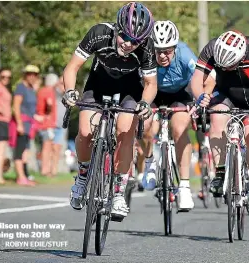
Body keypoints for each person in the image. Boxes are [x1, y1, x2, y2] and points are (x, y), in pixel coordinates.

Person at [62, 2, 157, 220]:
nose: (129, 45)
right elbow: (72, 67)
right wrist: (69, 91)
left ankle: (117, 193)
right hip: (98, 85)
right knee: (85, 132)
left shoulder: (147, 47)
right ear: (117, 29)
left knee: (125, 132)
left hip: (130, 92)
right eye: (125, 37)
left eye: (136, 41)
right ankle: (83, 176)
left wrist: (144, 104)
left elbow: (151, 84)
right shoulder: (99, 33)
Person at [192, 30, 249, 215]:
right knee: (216, 119)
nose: (225, 70)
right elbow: (197, 78)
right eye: (222, 67)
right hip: (226, 95)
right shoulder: (211, 48)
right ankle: (220, 172)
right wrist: (200, 96)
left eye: (229, 66)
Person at [139, 20, 198, 211]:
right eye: (158, 51)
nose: (163, 55)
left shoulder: (185, 54)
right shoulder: (145, 54)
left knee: (179, 129)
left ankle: (184, 187)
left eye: (168, 51)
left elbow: (201, 78)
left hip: (180, 93)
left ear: (175, 47)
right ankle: (149, 163)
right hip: (153, 92)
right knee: (144, 124)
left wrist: (199, 102)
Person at [11, 65, 42, 186]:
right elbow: (16, 106)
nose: (32, 76)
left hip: (29, 124)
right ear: (25, 75)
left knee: (26, 151)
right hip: (22, 123)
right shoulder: (20, 87)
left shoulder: (31, 89)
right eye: (29, 74)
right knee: (19, 150)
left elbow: (31, 109)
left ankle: (25, 174)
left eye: (34, 74)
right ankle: (21, 177)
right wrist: (19, 124)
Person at [36, 73, 58, 177]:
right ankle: (45, 170)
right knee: (47, 147)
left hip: (42, 122)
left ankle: (45, 169)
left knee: (46, 146)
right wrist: (48, 115)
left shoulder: (41, 90)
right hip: (47, 123)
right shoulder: (49, 91)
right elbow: (49, 104)